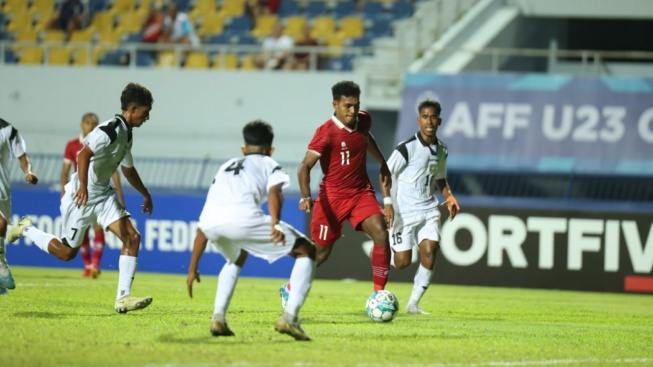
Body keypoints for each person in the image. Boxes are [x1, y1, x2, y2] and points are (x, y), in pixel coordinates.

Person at [8, 83, 155, 313]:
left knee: (132, 238)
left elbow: (128, 169)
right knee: (67, 253)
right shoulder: (110, 129)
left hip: (104, 196)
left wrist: (145, 193)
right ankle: (26, 229)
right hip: (81, 198)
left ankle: (123, 297)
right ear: (133, 108)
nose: (147, 118)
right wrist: (83, 187)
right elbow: (83, 154)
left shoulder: (127, 135)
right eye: (146, 113)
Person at [187, 120, 316, 341]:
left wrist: (192, 269)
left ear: (243, 149)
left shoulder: (225, 166)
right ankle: (290, 318)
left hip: (211, 225)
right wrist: (275, 222)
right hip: (243, 219)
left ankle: (218, 318)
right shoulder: (269, 163)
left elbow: (203, 227)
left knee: (236, 257)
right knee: (307, 251)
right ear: (270, 150)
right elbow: (275, 193)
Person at [296, 80, 393, 292]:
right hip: (332, 197)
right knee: (320, 254)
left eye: (356, 105)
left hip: (360, 193)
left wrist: (381, 160)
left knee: (381, 233)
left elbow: (365, 137)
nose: (353, 111)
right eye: (347, 106)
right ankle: (291, 288)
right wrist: (305, 196)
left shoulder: (364, 119)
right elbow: (304, 167)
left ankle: (379, 295)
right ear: (335, 105)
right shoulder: (325, 133)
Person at [385, 99, 460, 314]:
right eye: (425, 117)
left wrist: (450, 197)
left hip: (428, 209)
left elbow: (440, 179)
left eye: (433, 117)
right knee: (402, 262)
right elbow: (386, 174)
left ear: (440, 120)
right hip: (404, 212)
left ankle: (413, 303)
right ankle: (383, 246)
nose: (429, 121)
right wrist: (388, 203)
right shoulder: (406, 148)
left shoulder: (442, 150)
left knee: (430, 250)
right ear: (419, 120)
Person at [61, 112, 125, 278]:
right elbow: (65, 172)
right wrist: (63, 192)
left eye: (94, 123)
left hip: (98, 191)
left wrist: (120, 197)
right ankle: (87, 265)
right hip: (79, 192)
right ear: (81, 125)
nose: (91, 125)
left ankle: (95, 264)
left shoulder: (101, 141)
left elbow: (114, 171)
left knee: (98, 227)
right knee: (80, 230)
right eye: (88, 122)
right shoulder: (72, 145)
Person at [0, 118, 38, 296]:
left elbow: (22, 157)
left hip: (2, 190)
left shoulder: (8, 131)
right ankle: (1, 265)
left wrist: (28, 171)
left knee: (1, 226)